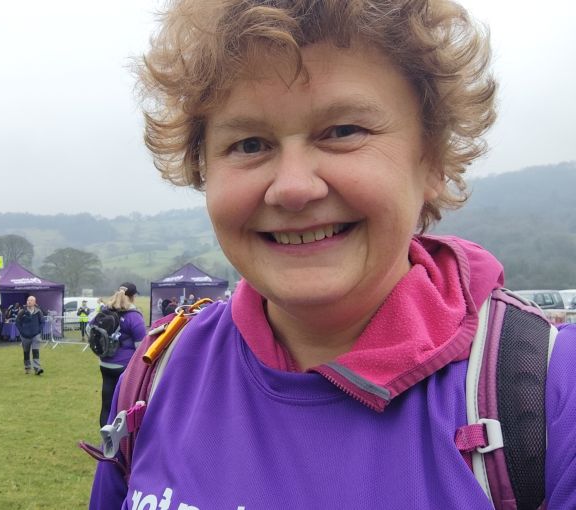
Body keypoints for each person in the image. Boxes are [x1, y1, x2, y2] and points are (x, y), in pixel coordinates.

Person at [89, 1, 576, 509]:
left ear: (431, 160)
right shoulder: (159, 371)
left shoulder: (551, 395)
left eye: (343, 132)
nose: (293, 187)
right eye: (250, 144)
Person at [95, 283, 146, 428]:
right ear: (132, 296)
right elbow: (141, 346)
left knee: (106, 402)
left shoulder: (105, 311)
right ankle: (121, 435)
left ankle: (105, 434)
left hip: (105, 363)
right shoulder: (134, 316)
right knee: (124, 403)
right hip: (125, 366)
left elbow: (90, 329)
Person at [16, 295, 44, 375]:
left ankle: (37, 368)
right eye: (28, 300)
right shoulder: (22, 311)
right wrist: (22, 331)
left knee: (35, 351)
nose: (29, 302)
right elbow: (17, 322)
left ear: (34, 302)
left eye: (31, 300)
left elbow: (42, 322)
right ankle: (27, 367)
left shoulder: (38, 312)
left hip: (36, 335)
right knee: (26, 352)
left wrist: (39, 331)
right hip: (25, 336)